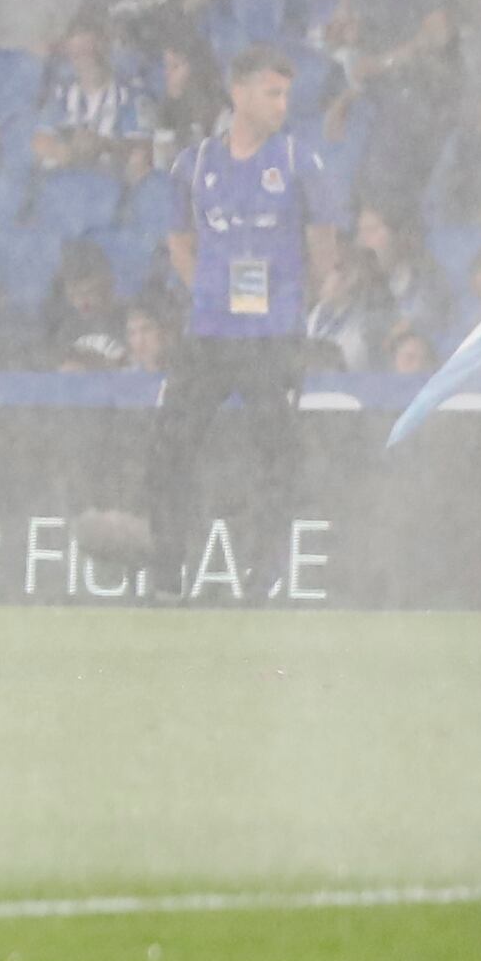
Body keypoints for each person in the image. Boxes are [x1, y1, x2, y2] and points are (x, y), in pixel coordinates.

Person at [141, 48, 344, 585]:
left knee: (274, 457)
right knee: (170, 448)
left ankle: (263, 579)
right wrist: (209, 291)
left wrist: (300, 307)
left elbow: (323, 246)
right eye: (271, 93)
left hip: (271, 336)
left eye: (285, 95)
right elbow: (180, 242)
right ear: (238, 92)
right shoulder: (195, 164)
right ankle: (165, 575)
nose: (282, 105)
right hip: (208, 334)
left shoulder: (299, 161)